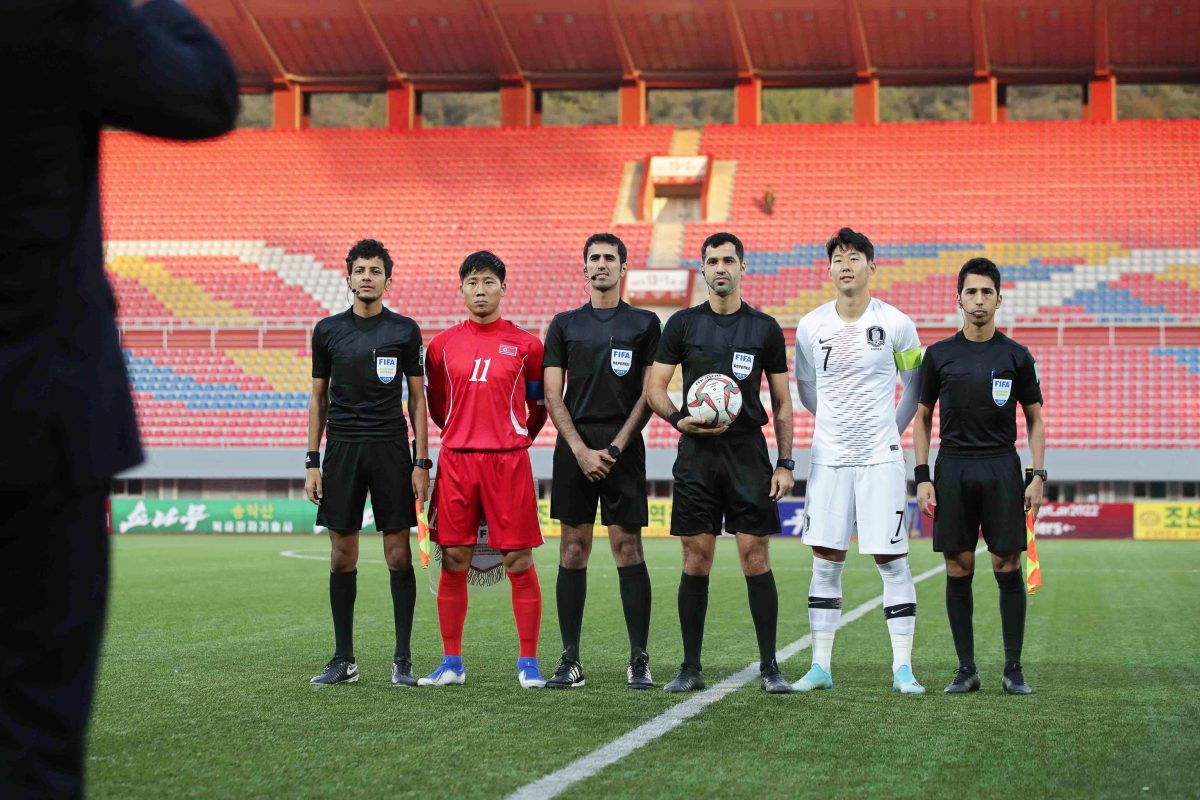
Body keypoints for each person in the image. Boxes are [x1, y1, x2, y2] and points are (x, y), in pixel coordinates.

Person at [0, 1, 236, 796]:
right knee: (34, 730)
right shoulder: (54, 18)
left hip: (42, 416)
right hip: (37, 418)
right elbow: (205, 93)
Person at [646, 232, 796, 694]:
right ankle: (690, 667)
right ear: (704, 270)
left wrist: (785, 462)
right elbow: (655, 389)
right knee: (697, 557)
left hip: (748, 451)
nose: (721, 268)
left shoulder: (764, 328)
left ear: (742, 267)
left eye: (729, 260)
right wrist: (678, 421)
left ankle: (770, 666)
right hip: (697, 454)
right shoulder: (683, 325)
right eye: (712, 261)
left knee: (755, 555)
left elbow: (782, 402)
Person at [792, 227, 927, 695]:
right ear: (829, 269)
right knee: (825, 560)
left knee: (891, 559)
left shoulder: (898, 323)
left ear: (872, 266)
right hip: (828, 458)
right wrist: (831, 423)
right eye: (838, 258)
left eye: (855, 257)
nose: (846, 265)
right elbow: (806, 387)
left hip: (880, 457)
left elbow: (917, 384)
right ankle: (820, 667)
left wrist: (891, 425)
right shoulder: (810, 327)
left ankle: (903, 668)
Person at [912, 257, 1046, 695]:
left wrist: (1037, 474)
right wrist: (923, 476)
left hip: (1001, 466)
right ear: (959, 299)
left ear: (999, 299)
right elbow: (922, 418)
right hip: (952, 467)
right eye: (971, 291)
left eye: (987, 292)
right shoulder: (938, 355)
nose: (979, 299)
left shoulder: (1016, 356)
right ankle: (966, 669)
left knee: (1007, 562)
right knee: (959, 564)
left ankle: (1013, 669)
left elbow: (1035, 419)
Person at [420, 251, 549, 688]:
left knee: (518, 559)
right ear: (461, 289)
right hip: (457, 459)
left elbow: (537, 407)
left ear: (503, 288)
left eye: (489, 281)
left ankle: (528, 663)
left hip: (508, 461)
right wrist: (465, 430)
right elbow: (437, 407)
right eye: (472, 282)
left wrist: (511, 436)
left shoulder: (528, 345)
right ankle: (452, 662)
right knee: (453, 559)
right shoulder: (440, 346)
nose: (481, 289)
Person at [305, 240, 429, 687]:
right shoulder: (327, 331)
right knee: (342, 556)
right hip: (341, 450)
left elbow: (417, 399)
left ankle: (403, 659)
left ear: (388, 280)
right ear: (348, 277)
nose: (367, 277)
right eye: (360, 270)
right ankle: (344, 659)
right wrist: (312, 461)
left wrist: (421, 460)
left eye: (375, 271)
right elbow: (318, 398)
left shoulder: (404, 331)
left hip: (391, 449)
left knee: (398, 554)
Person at [542, 233, 660, 690]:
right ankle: (570, 658)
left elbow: (650, 395)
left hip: (623, 447)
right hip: (574, 445)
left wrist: (613, 450)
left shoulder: (646, 323)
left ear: (623, 268)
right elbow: (553, 394)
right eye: (594, 258)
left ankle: (639, 659)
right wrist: (580, 450)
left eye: (610, 258)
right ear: (584, 267)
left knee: (628, 548)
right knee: (572, 548)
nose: (602, 264)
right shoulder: (564, 323)